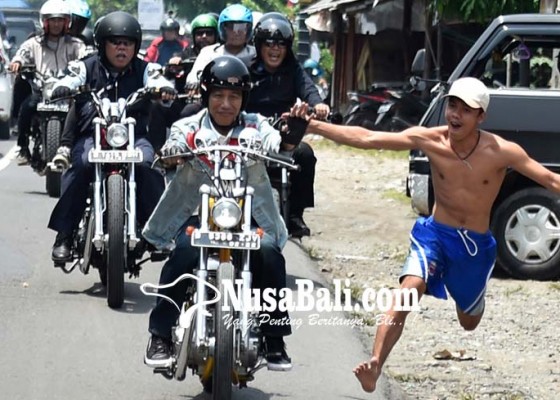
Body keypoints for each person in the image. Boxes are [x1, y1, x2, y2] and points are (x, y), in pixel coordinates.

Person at [287, 76, 560, 393]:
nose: (455, 115)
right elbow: (368, 138)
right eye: (452, 106)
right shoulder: (431, 140)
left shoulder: (502, 151)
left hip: (475, 249)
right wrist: (314, 127)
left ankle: (474, 300)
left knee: (469, 322)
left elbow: (551, 180)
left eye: (465, 110)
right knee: (406, 292)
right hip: (434, 236)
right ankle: (375, 364)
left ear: (481, 116)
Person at [142, 55, 304, 371]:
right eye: (218, 95)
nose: (226, 104)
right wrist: (173, 154)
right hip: (196, 214)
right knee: (184, 253)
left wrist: (291, 134)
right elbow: (172, 147)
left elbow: (277, 144)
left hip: (246, 217)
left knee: (269, 252)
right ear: (206, 96)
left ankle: (274, 338)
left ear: (243, 99)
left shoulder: (256, 126)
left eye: (234, 96)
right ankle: (160, 334)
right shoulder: (186, 126)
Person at [47, 11, 174, 262]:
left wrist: (164, 90)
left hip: (134, 135)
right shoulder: (87, 66)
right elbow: (71, 78)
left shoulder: (145, 68)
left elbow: (159, 79)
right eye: (115, 42)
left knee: (147, 166)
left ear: (135, 46)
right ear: (102, 44)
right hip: (93, 135)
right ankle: (65, 232)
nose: (121, 48)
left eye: (127, 43)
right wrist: (61, 87)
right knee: (81, 166)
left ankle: (158, 232)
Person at [246, 12, 329, 237]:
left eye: (281, 44)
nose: (275, 49)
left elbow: (309, 90)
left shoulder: (294, 70)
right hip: (248, 133)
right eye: (269, 43)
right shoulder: (246, 68)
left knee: (305, 154)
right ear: (259, 45)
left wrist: (319, 105)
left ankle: (294, 215)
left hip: (282, 133)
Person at [9, 0, 84, 165]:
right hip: (42, 89)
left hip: (68, 91)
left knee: (83, 111)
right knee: (27, 107)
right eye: (52, 20)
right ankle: (22, 147)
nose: (56, 24)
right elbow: (22, 53)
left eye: (59, 20)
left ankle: (81, 147)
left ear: (67, 22)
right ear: (45, 22)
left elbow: (86, 57)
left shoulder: (75, 44)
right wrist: (18, 62)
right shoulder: (34, 43)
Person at [185, 3, 256, 87]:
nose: (236, 32)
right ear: (223, 29)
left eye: (242, 27)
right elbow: (194, 76)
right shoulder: (209, 53)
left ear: (248, 30)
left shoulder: (256, 53)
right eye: (231, 27)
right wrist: (193, 84)